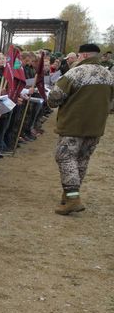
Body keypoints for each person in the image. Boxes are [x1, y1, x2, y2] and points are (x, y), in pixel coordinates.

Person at [47, 43, 114, 215]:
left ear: (83, 55)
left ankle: (72, 199)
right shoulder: (108, 75)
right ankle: (69, 195)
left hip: (73, 125)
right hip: (96, 126)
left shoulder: (75, 73)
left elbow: (54, 97)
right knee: (82, 160)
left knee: (65, 157)